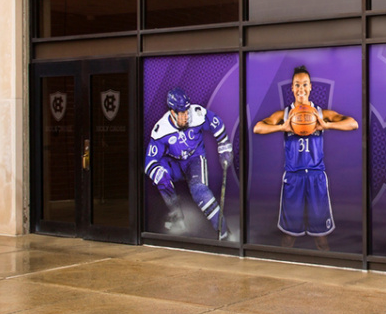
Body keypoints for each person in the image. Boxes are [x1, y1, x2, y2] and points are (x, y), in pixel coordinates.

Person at [253, 65, 358, 250]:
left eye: (304, 84)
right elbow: (258, 127)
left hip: (316, 177)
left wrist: (327, 126)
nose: (301, 89)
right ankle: (283, 277)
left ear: (310, 88)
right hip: (293, 178)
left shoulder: (320, 114)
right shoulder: (284, 115)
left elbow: (353, 123)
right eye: (297, 85)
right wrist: (281, 128)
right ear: (292, 89)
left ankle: (325, 275)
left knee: (321, 239)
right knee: (288, 237)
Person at [145, 87, 233, 239]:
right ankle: (177, 216)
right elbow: (149, 162)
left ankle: (224, 233)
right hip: (175, 164)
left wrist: (224, 145)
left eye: (186, 111)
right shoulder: (161, 130)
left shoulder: (197, 114)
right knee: (160, 175)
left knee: (200, 191)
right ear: (172, 112)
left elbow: (216, 122)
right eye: (182, 113)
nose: (186, 116)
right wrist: (158, 173)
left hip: (194, 160)